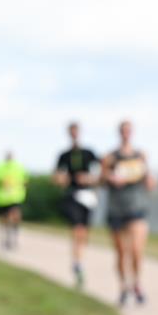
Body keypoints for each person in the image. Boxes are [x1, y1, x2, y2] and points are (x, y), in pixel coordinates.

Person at [101, 120, 156, 306]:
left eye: (129, 131)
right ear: (119, 133)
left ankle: (137, 284)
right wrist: (110, 177)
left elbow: (149, 180)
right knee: (121, 252)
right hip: (117, 208)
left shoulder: (140, 155)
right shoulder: (110, 157)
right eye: (123, 131)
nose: (126, 134)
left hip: (137, 207)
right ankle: (123, 286)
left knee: (137, 250)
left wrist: (150, 181)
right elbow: (101, 179)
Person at [53, 122, 99, 288]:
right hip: (72, 195)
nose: (74, 134)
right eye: (71, 132)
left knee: (84, 232)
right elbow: (57, 177)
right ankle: (78, 263)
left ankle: (79, 259)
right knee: (77, 229)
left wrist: (88, 179)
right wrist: (62, 179)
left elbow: (100, 173)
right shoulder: (64, 155)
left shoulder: (89, 153)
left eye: (76, 132)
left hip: (87, 196)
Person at [0, 152, 28, 250]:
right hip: (2, 199)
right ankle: (6, 238)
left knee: (15, 215)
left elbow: (25, 179)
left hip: (16, 197)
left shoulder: (19, 167)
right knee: (4, 219)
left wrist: (22, 185)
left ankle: (13, 236)